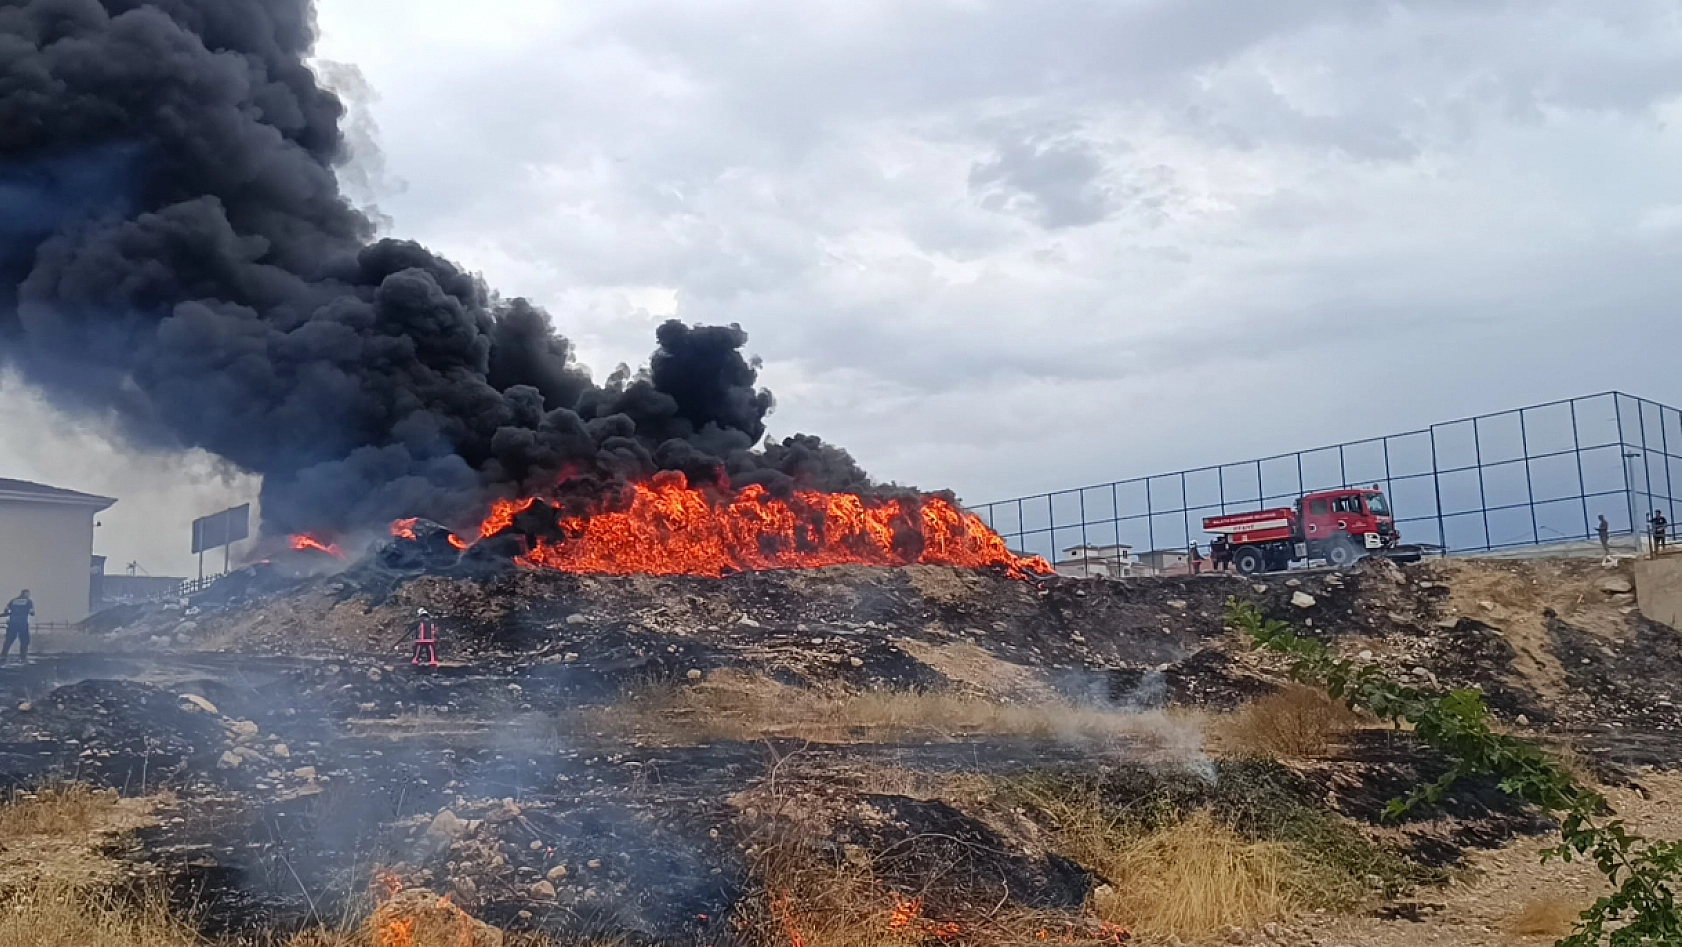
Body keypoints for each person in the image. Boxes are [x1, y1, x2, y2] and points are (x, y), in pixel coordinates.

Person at [2, 590, 34, 666]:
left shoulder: (13, 601)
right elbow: (32, 613)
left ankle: (3, 655)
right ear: (26, 594)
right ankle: (23, 657)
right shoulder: (28, 602)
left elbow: (6, 611)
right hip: (22, 624)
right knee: (24, 641)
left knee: (9, 640)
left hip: (12, 623)